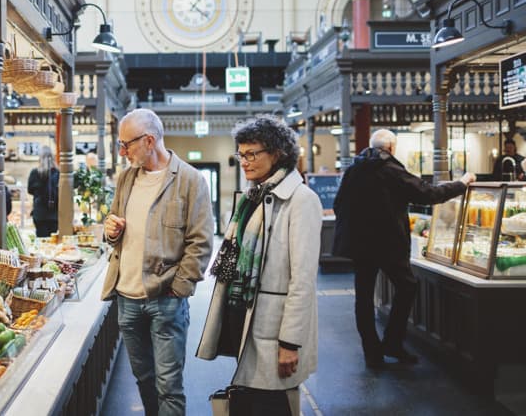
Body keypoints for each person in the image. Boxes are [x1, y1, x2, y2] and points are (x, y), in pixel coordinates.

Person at [197, 115, 322, 416]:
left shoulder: (300, 200)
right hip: (248, 321)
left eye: (252, 154)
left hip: (275, 330)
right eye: (241, 154)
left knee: (273, 406)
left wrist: (290, 342)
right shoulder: (254, 197)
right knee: (253, 403)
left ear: (277, 154)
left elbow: (303, 280)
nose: (244, 161)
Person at [102, 109, 213, 416]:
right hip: (126, 298)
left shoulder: (190, 181)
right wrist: (111, 229)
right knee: (144, 379)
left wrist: (179, 288)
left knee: (169, 385)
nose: (122, 152)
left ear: (149, 140)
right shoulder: (126, 179)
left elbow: (201, 242)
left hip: (166, 299)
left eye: (127, 145)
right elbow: (113, 226)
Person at [333, 129, 475, 368]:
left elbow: (338, 204)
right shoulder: (390, 169)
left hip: (360, 245)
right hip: (387, 243)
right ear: (390, 148)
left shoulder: (353, 169)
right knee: (407, 286)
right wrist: (461, 184)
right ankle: (393, 343)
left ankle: (372, 353)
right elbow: (428, 194)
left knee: (364, 298)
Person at [28, 145, 59, 237]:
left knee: (42, 242)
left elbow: (30, 190)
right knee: (54, 241)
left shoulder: (34, 172)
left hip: (39, 213)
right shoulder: (58, 173)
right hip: (54, 214)